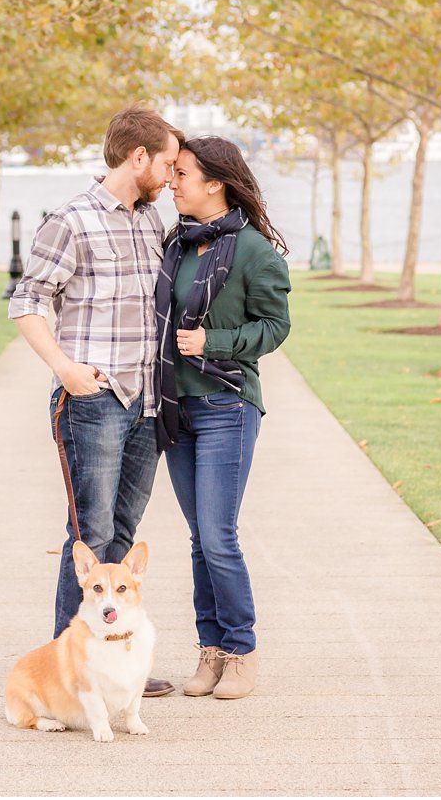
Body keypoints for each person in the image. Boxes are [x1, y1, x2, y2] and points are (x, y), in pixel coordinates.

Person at [8, 105, 183, 698]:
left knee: (125, 539)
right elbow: (26, 302)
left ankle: (117, 666)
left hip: (148, 404)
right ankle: (72, 671)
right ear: (139, 158)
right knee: (89, 535)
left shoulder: (153, 221)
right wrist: (65, 369)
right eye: (165, 162)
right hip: (96, 401)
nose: (171, 172)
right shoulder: (72, 221)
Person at [157, 136, 291, 700]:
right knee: (198, 539)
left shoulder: (255, 251)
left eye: (181, 173)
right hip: (176, 408)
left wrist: (215, 341)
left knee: (218, 535)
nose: (172, 181)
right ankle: (209, 651)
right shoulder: (177, 242)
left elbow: (274, 326)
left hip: (225, 407)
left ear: (214, 182)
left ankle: (241, 651)